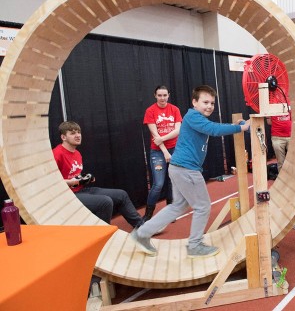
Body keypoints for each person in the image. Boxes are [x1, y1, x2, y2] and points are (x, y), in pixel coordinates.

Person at [131, 85, 251, 258]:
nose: (209, 106)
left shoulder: (198, 118)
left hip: (179, 168)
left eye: (212, 103)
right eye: (205, 102)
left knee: (177, 206)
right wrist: (240, 128)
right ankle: (194, 245)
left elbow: (213, 126)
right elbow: (214, 129)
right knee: (202, 207)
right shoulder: (193, 116)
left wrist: (234, 125)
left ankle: (141, 234)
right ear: (194, 102)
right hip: (187, 170)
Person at [53, 121, 143, 228]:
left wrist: (84, 179)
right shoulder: (56, 154)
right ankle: (103, 236)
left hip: (80, 191)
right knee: (105, 202)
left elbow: (74, 176)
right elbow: (51, 183)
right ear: (63, 137)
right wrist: (72, 182)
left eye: (78, 132)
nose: (77, 135)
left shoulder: (77, 153)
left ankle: (142, 227)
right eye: (72, 133)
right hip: (67, 195)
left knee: (121, 195)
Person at [142, 85, 182, 222]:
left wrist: (163, 138)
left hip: (175, 149)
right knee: (158, 184)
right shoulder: (150, 111)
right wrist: (165, 152)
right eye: (159, 95)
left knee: (173, 180)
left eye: (165, 95)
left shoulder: (175, 109)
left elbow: (178, 130)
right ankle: (148, 214)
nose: (162, 98)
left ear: (168, 95)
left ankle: (170, 213)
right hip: (158, 151)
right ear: (155, 96)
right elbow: (155, 135)